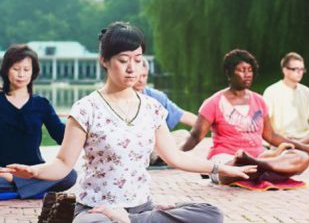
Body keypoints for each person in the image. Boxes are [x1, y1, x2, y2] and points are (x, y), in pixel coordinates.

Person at [1, 22, 255, 223]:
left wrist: (220, 169)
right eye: (124, 60)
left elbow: (175, 157)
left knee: (210, 214)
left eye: (138, 59)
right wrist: (35, 171)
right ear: (104, 60)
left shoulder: (152, 108)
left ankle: (132, 220)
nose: (132, 68)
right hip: (97, 209)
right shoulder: (86, 108)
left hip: (140, 205)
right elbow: (64, 164)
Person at [181, 49, 309, 185]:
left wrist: (305, 147)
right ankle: (257, 166)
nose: (247, 75)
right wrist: (175, 154)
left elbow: (270, 136)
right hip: (227, 158)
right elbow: (195, 136)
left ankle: (255, 164)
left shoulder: (259, 101)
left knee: (302, 158)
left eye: (250, 70)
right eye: (241, 70)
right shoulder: (213, 102)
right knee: (231, 168)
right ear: (229, 73)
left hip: (260, 156)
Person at [0, 44, 77, 199]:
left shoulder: (41, 104)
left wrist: (81, 127)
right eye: (16, 69)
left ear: (33, 72)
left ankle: (15, 184)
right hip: (2, 170)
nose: (21, 74)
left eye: (26, 70)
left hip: (34, 171)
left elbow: (61, 135)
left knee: (69, 175)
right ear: (6, 70)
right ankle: (25, 188)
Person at [134, 59, 197, 165]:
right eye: (138, 76)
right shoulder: (121, 96)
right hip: (134, 145)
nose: (141, 80)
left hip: (155, 145)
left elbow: (182, 115)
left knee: (184, 134)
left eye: (144, 76)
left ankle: (161, 158)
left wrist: (210, 125)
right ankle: (162, 158)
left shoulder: (156, 96)